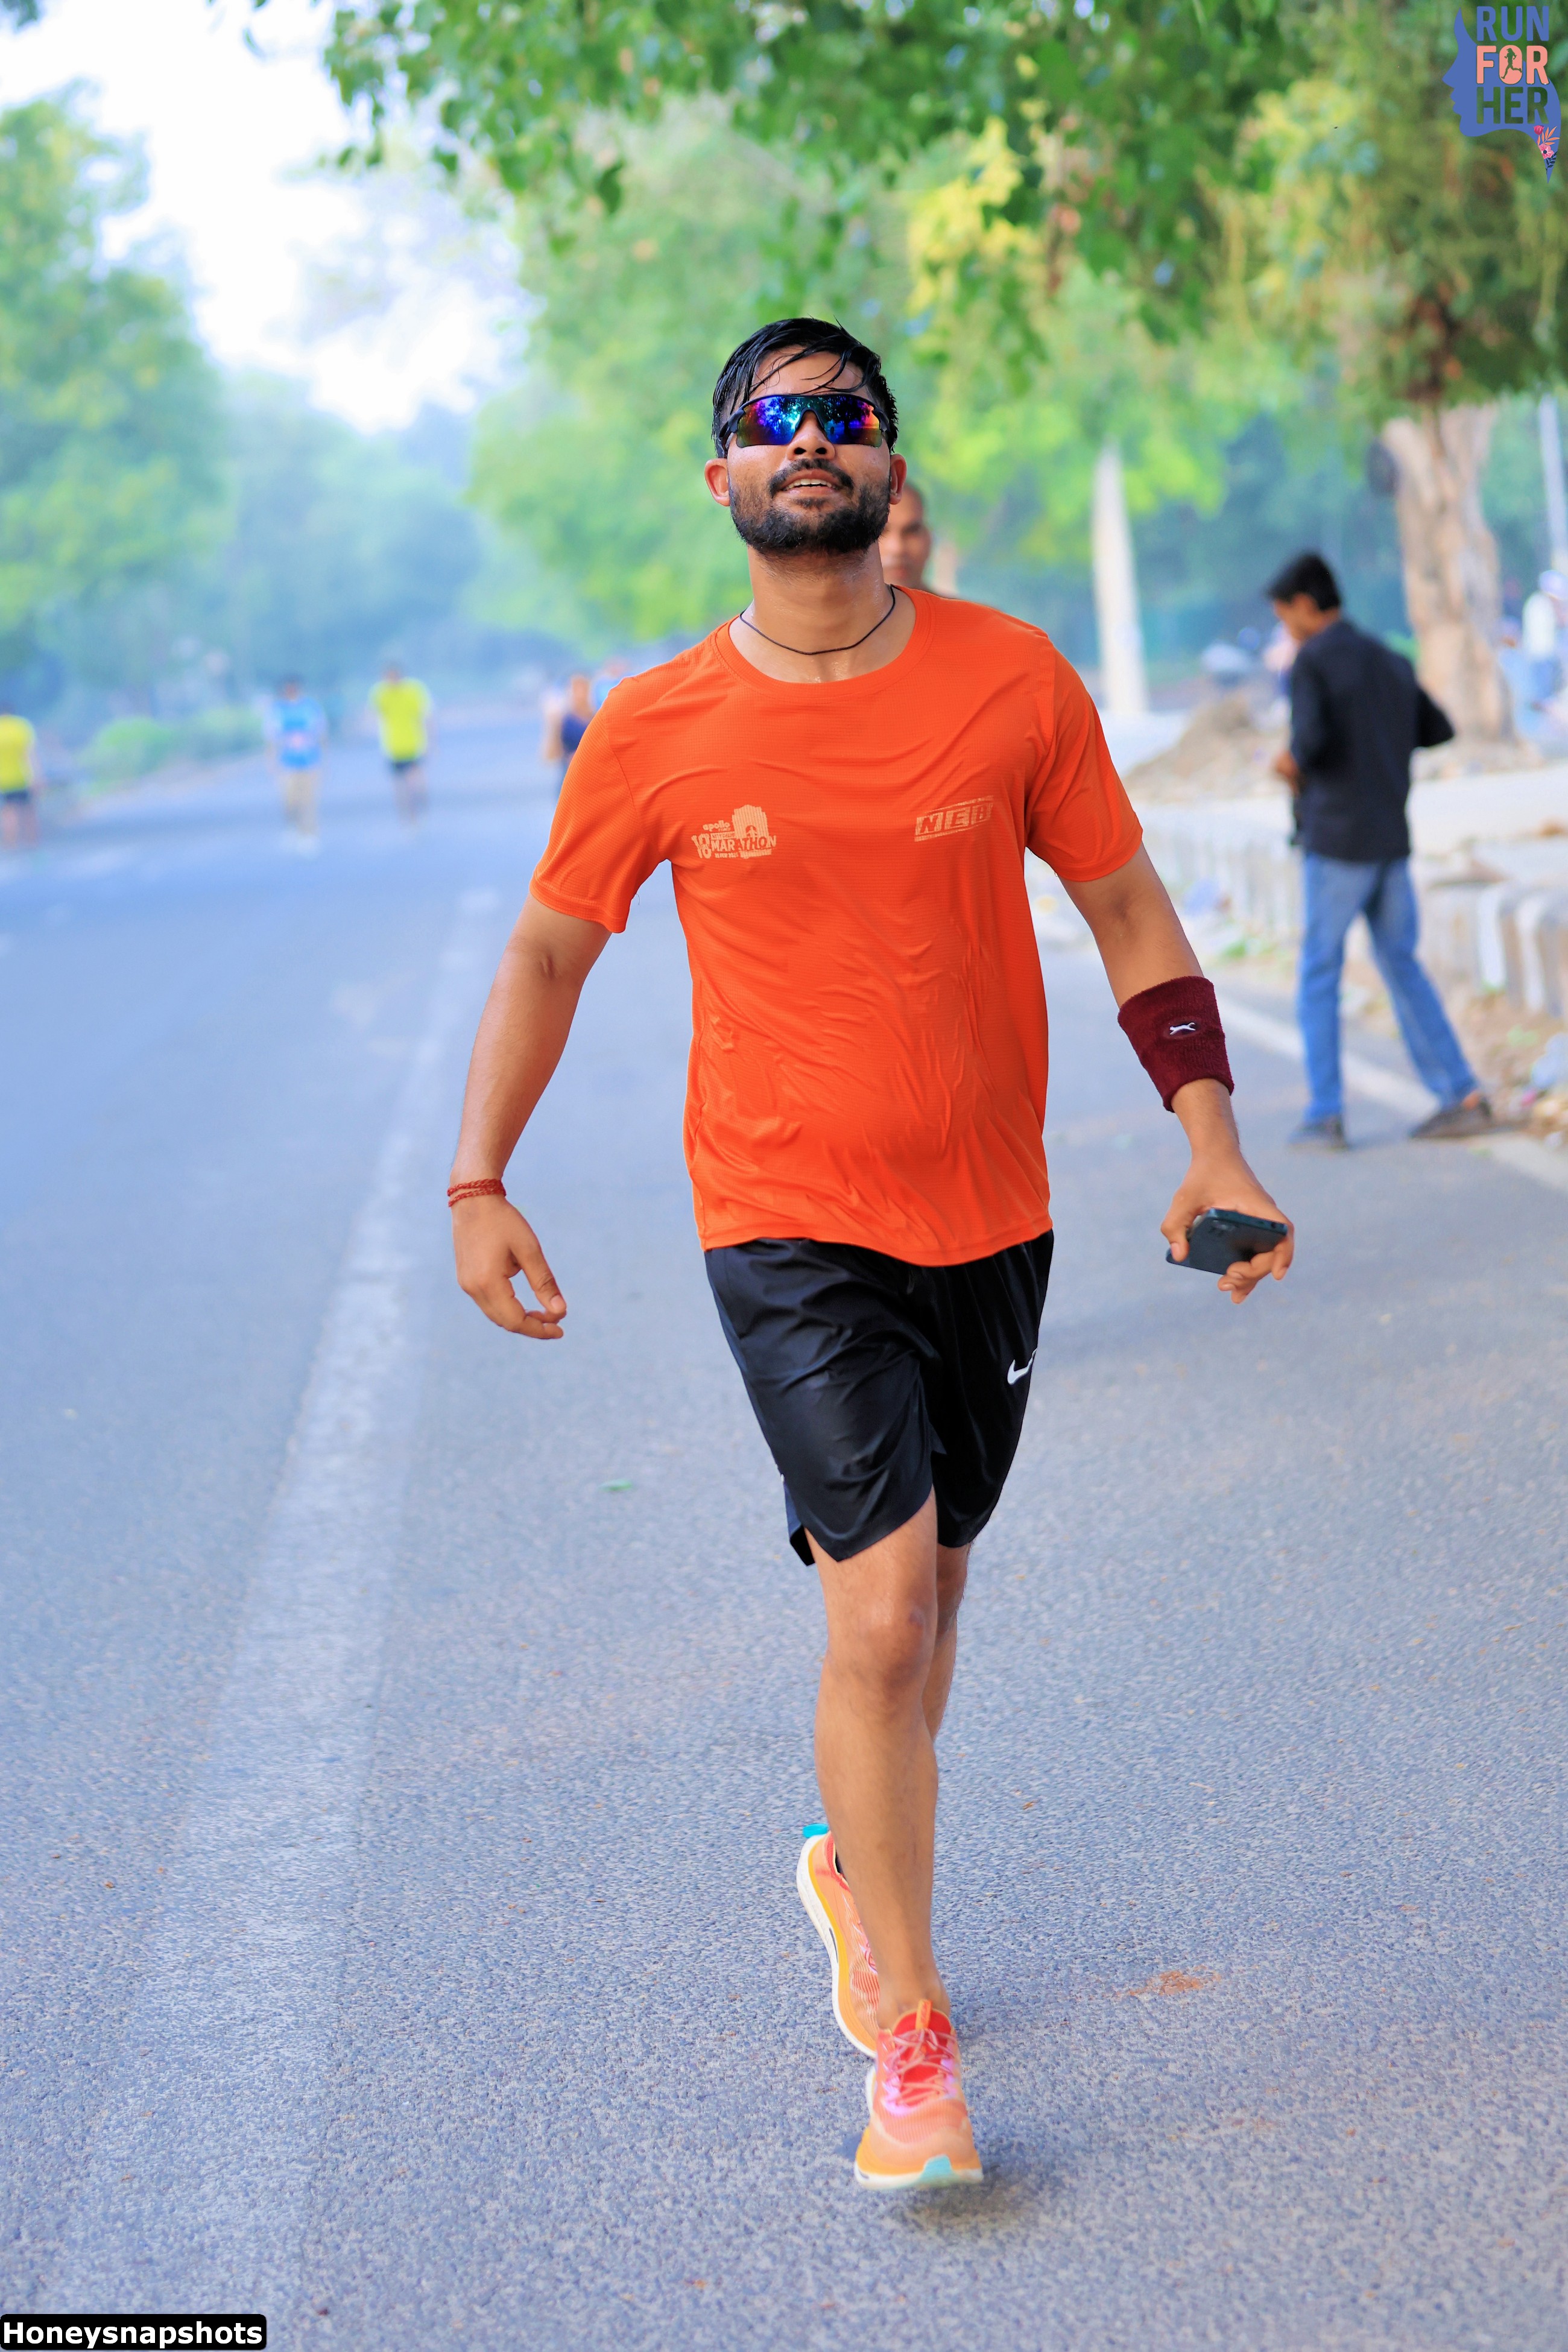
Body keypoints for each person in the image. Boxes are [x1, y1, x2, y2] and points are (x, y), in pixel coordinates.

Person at [448, 318, 1292, 2195]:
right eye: (773, 418)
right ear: (723, 475)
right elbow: (549, 950)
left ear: (888, 463)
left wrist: (1211, 1138)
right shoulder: (656, 724)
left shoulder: (1011, 679)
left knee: (939, 1589)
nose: (809, 437)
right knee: (882, 1614)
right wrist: (476, 1177)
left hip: (990, 1216)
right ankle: (913, 2038)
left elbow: (1125, 903)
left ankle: (853, 1855)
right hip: (781, 1216)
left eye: (843, 414)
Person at [1266, 551, 1491, 1146]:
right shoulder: (1388, 658)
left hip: (1338, 843)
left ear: (1306, 606)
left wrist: (1289, 764)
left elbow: (1310, 744)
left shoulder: (1312, 661)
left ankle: (1324, 1113)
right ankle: (1461, 1092)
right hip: (1390, 841)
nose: (1286, 629)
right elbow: (1436, 729)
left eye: (1285, 616)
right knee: (1401, 964)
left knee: (1319, 973)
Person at [369, 661, 434, 823]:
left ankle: (420, 805)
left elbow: (426, 717)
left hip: (414, 744)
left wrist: (430, 742)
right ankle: (408, 817)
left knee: (416, 782)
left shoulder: (414, 690)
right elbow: (374, 715)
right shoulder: (381, 693)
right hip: (393, 747)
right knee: (400, 786)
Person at [265, 677, 326, 848]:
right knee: (290, 800)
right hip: (287, 763)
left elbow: (321, 734)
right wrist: (271, 761)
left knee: (308, 799)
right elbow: (271, 738)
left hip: (309, 761)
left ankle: (309, 833)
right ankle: (293, 827)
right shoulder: (278, 710)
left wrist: (323, 760)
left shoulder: (311, 708)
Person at [877, 476, 934, 591]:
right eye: (880, 531)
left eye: (912, 531)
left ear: (928, 538)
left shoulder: (960, 604)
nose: (898, 548)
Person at [0, 700, 41, 850]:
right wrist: (37, 776)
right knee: (28, 811)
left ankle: (12, 846)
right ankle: (32, 845)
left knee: (8, 811)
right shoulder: (21, 726)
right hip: (23, 778)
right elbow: (30, 754)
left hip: (4, 780)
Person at [1520, 571, 1564, 707]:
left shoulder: (1536, 603)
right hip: (1541, 655)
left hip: (1543, 655)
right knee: (1544, 694)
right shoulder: (1541, 605)